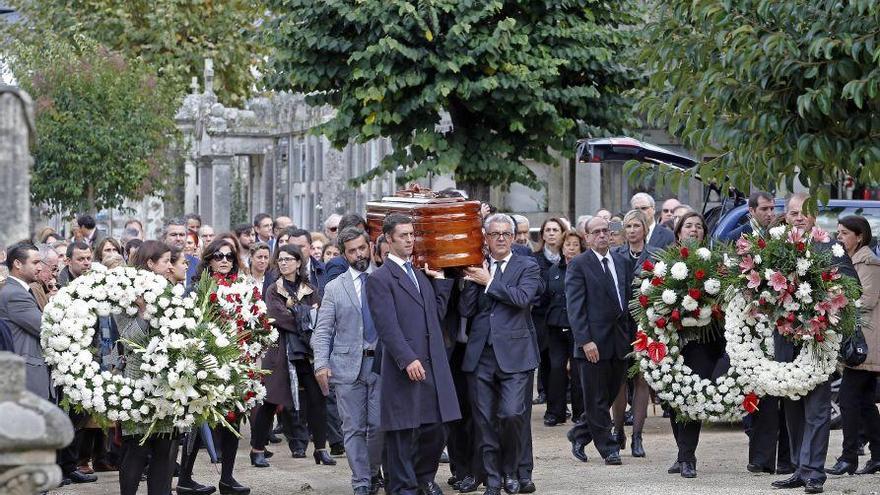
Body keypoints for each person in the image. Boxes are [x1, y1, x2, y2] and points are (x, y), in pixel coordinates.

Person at [771, 192, 859, 494]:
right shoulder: (775, 248)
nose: (798, 217)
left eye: (804, 213)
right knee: (792, 407)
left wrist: (823, 300)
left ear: (814, 216)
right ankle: (799, 466)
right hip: (785, 339)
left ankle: (813, 473)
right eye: (793, 212)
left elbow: (852, 287)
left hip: (818, 341)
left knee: (817, 410)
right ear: (786, 215)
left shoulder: (830, 246)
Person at [365, 213, 459, 495]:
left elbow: (434, 317)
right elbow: (387, 326)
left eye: (411, 235)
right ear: (389, 239)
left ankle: (421, 478)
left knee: (439, 426)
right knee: (402, 433)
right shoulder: (380, 279)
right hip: (406, 366)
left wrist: (440, 281)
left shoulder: (418, 274)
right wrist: (406, 358)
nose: (409, 240)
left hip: (432, 364)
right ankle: (403, 488)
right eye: (403, 235)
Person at [458, 213, 543, 495]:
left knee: (511, 414)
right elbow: (466, 311)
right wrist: (472, 279)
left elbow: (522, 299)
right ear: (486, 237)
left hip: (516, 354)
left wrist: (489, 281)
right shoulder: (478, 265)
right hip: (481, 353)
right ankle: (493, 480)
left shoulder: (527, 266)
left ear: (515, 236)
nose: (502, 238)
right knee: (483, 421)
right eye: (495, 234)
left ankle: (511, 471)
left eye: (507, 233)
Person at [312, 227, 384, 494]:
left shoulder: (383, 280)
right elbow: (323, 330)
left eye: (362, 248)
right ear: (344, 255)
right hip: (346, 367)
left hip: (381, 364)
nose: (358, 255)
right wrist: (321, 364)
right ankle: (362, 481)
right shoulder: (334, 287)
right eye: (352, 251)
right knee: (353, 428)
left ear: (370, 248)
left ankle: (374, 471)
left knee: (378, 425)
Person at [250, 243, 334, 468]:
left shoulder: (309, 287)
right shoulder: (273, 289)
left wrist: (299, 314)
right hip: (280, 351)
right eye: (281, 259)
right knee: (271, 401)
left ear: (298, 262)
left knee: (318, 399)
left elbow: (319, 315)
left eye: (289, 259)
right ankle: (257, 449)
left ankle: (320, 449)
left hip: (306, 350)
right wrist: (304, 316)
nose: (284, 263)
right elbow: (278, 317)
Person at [177, 238, 250, 495]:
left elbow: (250, 322)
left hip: (235, 363)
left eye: (229, 257)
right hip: (205, 363)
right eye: (218, 256)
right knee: (197, 421)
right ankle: (185, 478)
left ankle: (227, 478)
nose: (224, 261)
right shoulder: (196, 289)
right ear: (208, 259)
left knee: (233, 417)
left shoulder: (242, 287)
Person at [564, 216, 634, 466]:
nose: (603, 235)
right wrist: (584, 340)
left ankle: (580, 433)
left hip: (619, 341)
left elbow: (626, 300)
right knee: (595, 397)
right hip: (592, 343)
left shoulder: (622, 261)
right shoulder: (579, 264)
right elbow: (575, 307)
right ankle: (608, 448)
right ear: (587, 237)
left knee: (610, 393)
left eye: (606, 231)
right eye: (597, 232)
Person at [664, 212, 727, 479]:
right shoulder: (666, 263)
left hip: (705, 341)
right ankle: (682, 453)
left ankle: (687, 457)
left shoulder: (714, 262)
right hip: (674, 341)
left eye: (699, 226)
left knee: (692, 396)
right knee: (674, 400)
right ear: (678, 233)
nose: (693, 230)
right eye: (688, 226)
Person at [115, 241, 180, 495]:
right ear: (150, 263)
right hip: (138, 380)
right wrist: (143, 312)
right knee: (137, 448)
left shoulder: (170, 290)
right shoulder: (126, 294)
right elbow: (129, 338)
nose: (169, 266)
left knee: (166, 448)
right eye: (165, 261)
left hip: (169, 380)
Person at [828, 215, 880, 476]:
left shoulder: (867, 261)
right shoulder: (850, 260)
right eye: (838, 232)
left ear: (859, 236)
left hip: (865, 344)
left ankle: (849, 457)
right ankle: (878, 456)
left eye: (845, 233)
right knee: (865, 402)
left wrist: (837, 300)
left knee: (848, 400)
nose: (839, 237)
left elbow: (866, 300)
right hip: (861, 342)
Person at [610, 210, 656, 458]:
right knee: (618, 380)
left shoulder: (656, 255)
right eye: (627, 226)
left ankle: (638, 435)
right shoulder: (615, 255)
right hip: (620, 325)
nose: (631, 230)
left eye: (636, 225)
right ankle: (618, 431)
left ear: (645, 229)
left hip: (646, 324)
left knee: (642, 379)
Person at [0, 242, 50, 399]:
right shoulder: (15, 294)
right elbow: (45, 328)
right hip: (26, 379)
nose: (40, 267)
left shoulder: (20, 290)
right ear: (17, 264)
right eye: (35, 263)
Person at [531, 218, 566, 407]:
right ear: (542, 234)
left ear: (562, 233)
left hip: (560, 316)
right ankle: (544, 392)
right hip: (539, 314)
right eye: (548, 230)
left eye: (555, 229)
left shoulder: (567, 257)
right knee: (544, 356)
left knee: (557, 360)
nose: (551, 233)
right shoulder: (534, 258)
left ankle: (559, 398)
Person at [30, 243, 60, 310]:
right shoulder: (32, 287)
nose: (55, 274)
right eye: (53, 268)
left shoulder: (51, 283)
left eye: (57, 269)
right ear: (40, 264)